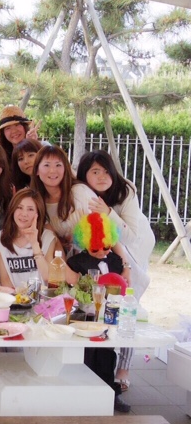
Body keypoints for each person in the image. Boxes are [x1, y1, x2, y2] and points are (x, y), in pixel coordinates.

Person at [77, 149, 154, 391]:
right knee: (100, 304)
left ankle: (124, 368)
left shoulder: (125, 190)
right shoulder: (81, 192)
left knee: (129, 306)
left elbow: (131, 236)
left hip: (134, 246)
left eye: (106, 171)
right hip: (105, 249)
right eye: (94, 172)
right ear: (84, 175)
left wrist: (108, 213)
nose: (101, 176)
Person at [67, 212, 132, 413]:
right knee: (87, 354)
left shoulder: (116, 260)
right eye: (95, 248)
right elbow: (69, 288)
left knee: (107, 353)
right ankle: (84, 394)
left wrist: (126, 271)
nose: (102, 252)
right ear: (84, 243)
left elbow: (124, 284)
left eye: (106, 246)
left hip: (110, 313)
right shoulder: (76, 261)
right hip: (86, 314)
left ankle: (110, 393)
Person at [30, 145, 97, 255]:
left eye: (58, 165)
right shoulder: (38, 202)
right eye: (47, 165)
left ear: (65, 169)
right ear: (37, 170)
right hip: (64, 259)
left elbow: (104, 225)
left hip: (95, 255)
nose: (53, 170)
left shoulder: (79, 192)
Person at [0, 188, 59, 289]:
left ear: (38, 213)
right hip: (13, 297)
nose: (24, 214)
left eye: (30, 209)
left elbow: (49, 278)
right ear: (12, 209)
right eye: (19, 207)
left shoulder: (47, 237)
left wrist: (34, 244)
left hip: (41, 297)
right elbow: (5, 280)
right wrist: (19, 297)